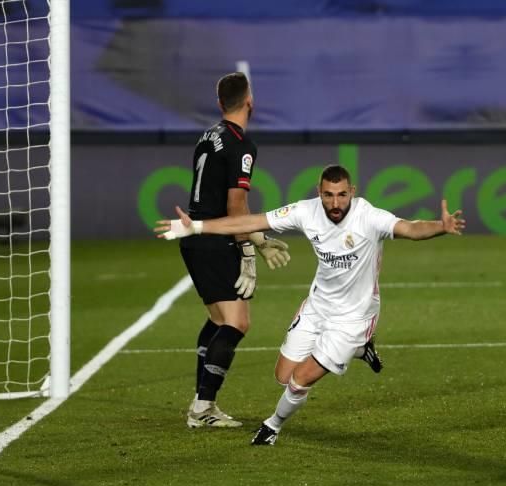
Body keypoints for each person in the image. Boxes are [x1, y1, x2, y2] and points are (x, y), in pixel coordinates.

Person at [157, 165, 466, 445]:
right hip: (317, 307)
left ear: (352, 193)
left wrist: (440, 226)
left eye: (342, 195)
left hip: (353, 318)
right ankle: (361, 349)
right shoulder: (306, 212)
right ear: (319, 193)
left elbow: (411, 228)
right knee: (283, 375)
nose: (335, 203)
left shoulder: (369, 217)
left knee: (299, 379)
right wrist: (196, 227)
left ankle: (272, 426)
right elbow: (252, 220)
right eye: (328, 195)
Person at [179, 72, 291, 429]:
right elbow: (236, 205)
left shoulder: (208, 136)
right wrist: (249, 251)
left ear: (219, 104)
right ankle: (203, 406)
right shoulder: (241, 144)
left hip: (194, 236)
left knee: (217, 320)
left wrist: (258, 240)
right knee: (237, 323)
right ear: (249, 102)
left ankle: (202, 402)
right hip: (216, 238)